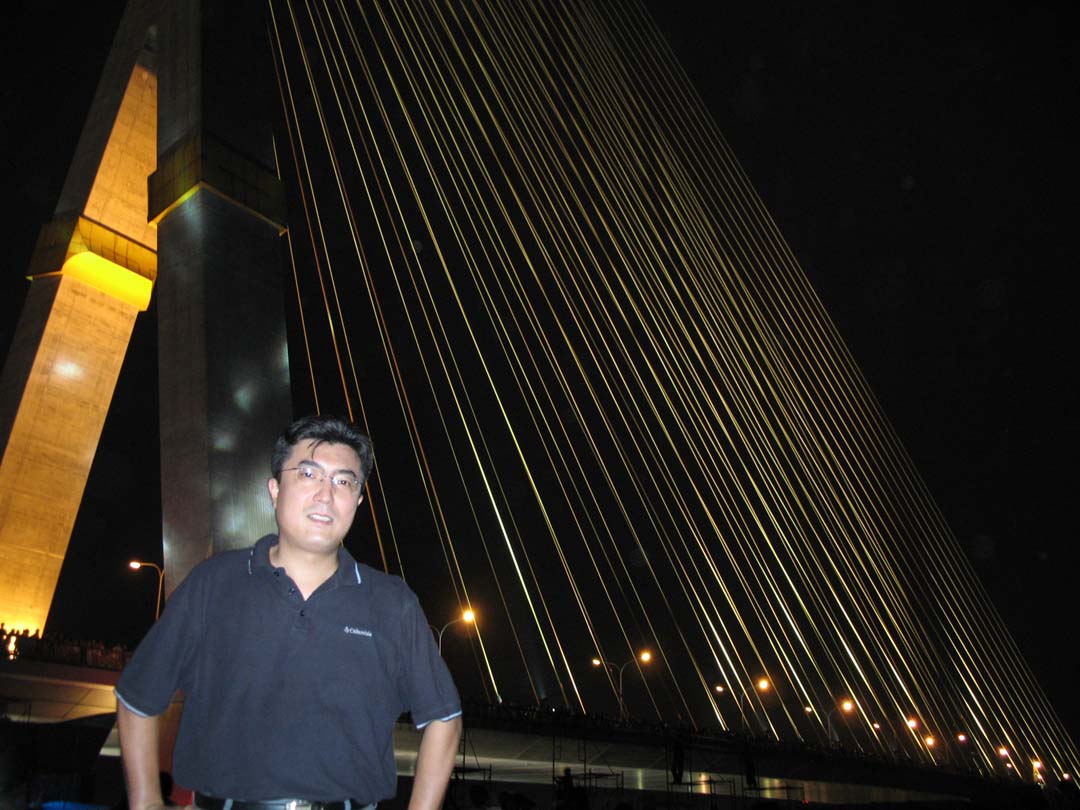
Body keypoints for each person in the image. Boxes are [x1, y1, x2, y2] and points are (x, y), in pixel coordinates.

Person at [115, 414, 462, 810]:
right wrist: (145, 801)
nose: (326, 495)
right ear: (275, 489)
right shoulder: (215, 583)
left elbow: (444, 719)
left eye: (344, 482)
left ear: (358, 501)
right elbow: (137, 696)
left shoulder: (392, 603)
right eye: (309, 474)